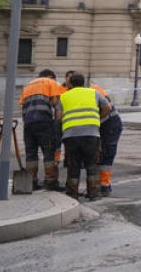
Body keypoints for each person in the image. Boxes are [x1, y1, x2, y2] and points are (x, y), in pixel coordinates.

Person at [56, 72, 112, 200]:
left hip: (70, 136)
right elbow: (107, 107)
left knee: (73, 165)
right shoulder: (94, 93)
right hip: (91, 134)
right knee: (91, 164)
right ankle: (93, 193)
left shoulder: (64, 96)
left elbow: (58, 117)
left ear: (70, 84)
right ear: (83, 82)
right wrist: (98, 117)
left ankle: (72, 194)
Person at [20, 69, 64, 190]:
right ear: (50, 77)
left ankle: (32, 181)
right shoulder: (50, 82)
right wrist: (57, 123)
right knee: (49, 152)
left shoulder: (28, 86)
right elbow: (56, 104)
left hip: (28, 123)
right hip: (44, 121)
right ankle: (50, 182)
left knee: (31, 154)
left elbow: (24, 105)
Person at [91, 83, 123, 196]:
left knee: (106, 155)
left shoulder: (93, 91)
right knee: (100, 154)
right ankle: (102, 185)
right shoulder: (93, 89)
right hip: (107, 125)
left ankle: (104, 186)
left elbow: (107, 109)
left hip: (110, 126)